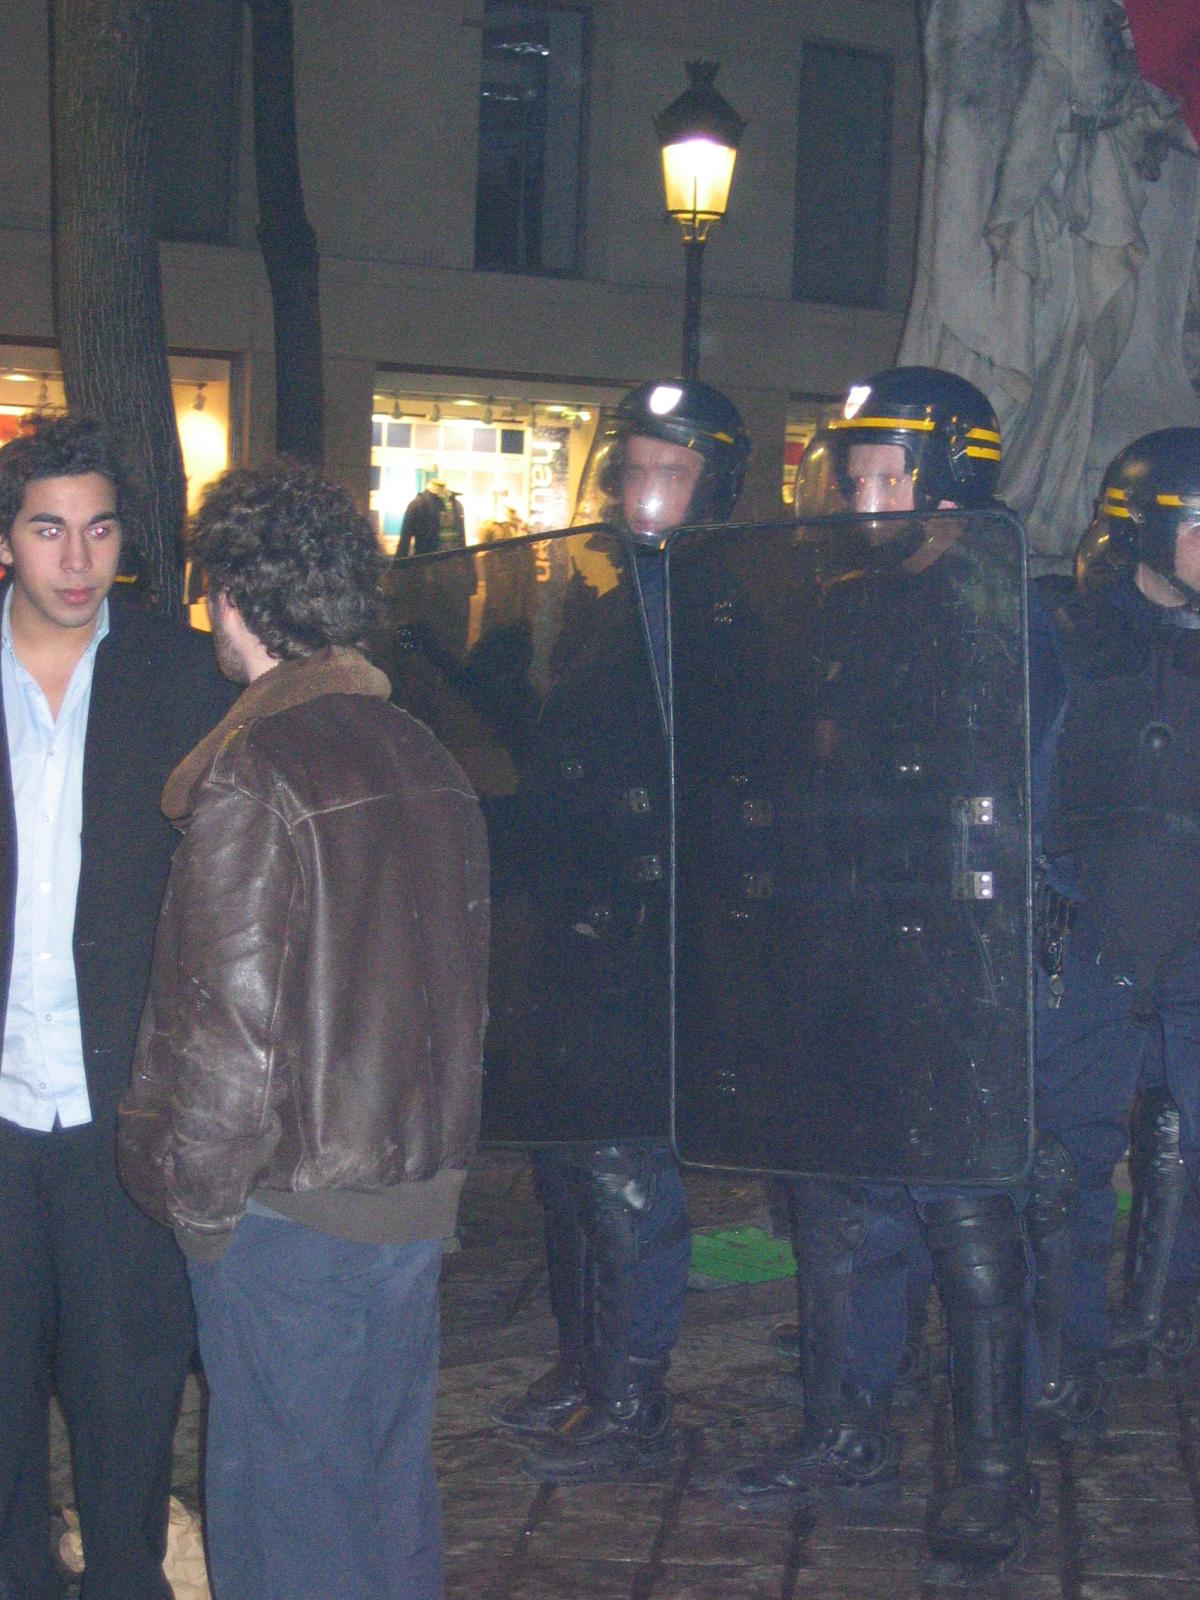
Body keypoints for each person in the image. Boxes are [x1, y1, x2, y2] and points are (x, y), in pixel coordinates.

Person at [117, 464, 490, 1600]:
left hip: (289, 1203)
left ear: (232, 591)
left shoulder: (257, 773)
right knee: (383, 1498)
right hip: (409, 1194)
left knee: (283, 1516)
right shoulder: (422, 753)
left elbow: (230, 1026)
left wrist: (202, 1206)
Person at [731, 368, 1038, 1572]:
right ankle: (848, 1424)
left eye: (887, 473)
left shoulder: (999, 605)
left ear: (948, 477)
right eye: (854, 473)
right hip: (846, 942)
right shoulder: (847, 606)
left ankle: (992, 1466)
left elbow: (1014, 794)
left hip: (955, 958)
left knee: (968, 1223)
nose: (865, 495)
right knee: (835, 1200)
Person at [495, 379, 752, 1483]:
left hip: (653, 928)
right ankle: (586, 1355)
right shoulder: (603, 590)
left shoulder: (715, 600)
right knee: (564, 1154)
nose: (644, 489)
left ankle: (633, 1388)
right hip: (574, 911)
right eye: (634, 464)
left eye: (672, 470)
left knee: (623, 1165)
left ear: (710, 491)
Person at [0, 413, 231, 1600]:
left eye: (98, 529)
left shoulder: (179, 673)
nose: (77, 559)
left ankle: (130, 1579)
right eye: (50, 529)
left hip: (121, 1101)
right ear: (9, 540)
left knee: (128, 1382)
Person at [1032, 429, 1200, 1425]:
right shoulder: (1068, 632)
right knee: (1063, 1167)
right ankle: (1060, 1360)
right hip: (1087, 931)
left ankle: (1171, 1306)